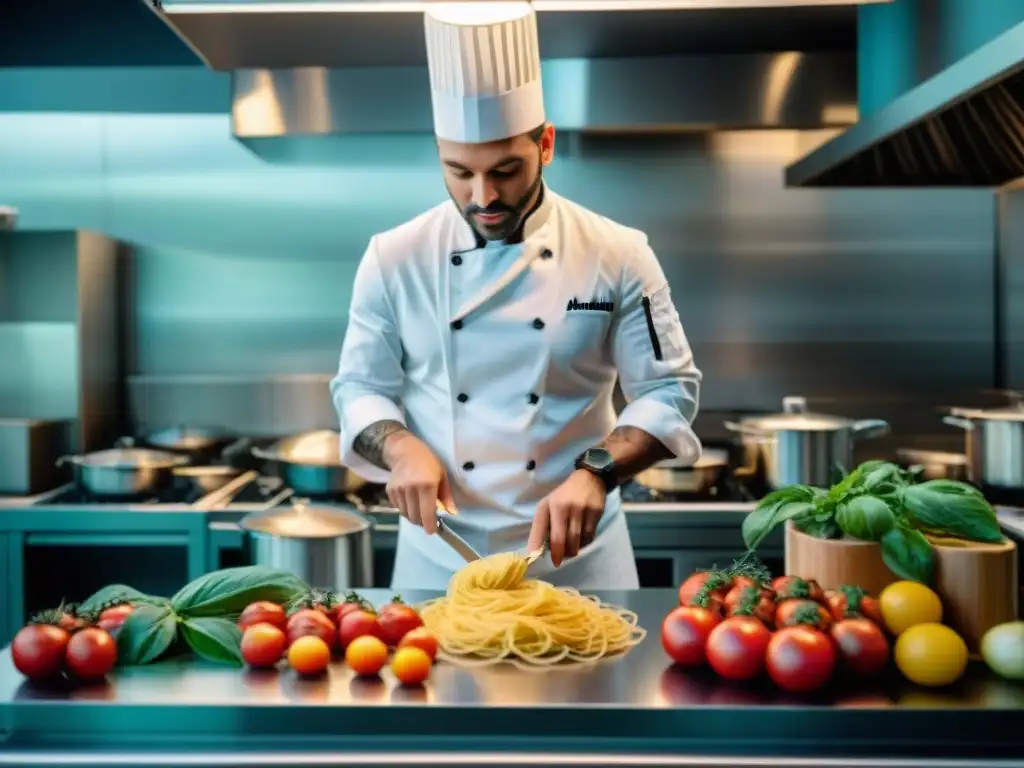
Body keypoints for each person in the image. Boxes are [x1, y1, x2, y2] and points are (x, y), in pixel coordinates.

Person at [330, 1, 702, 592]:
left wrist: (597, 475)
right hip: (439, 555)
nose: (483, 196)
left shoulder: (618, 252)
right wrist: (399, 448)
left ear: (546, 144)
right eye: (459, 172)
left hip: (579, 558)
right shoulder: (393, 256)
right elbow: (359, 387)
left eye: (505, 169)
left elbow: (668, 390)